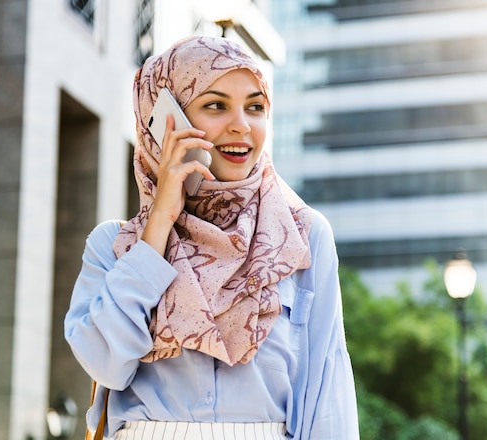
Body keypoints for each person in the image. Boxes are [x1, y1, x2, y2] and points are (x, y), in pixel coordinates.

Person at [64, 35, 359, 439]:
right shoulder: (115, 247)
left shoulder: (301, 238)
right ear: (167, 121)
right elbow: (106, 363)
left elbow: (327, 389)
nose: (241, 124)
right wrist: (159, 227)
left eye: (255, 107)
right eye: (215, 105)